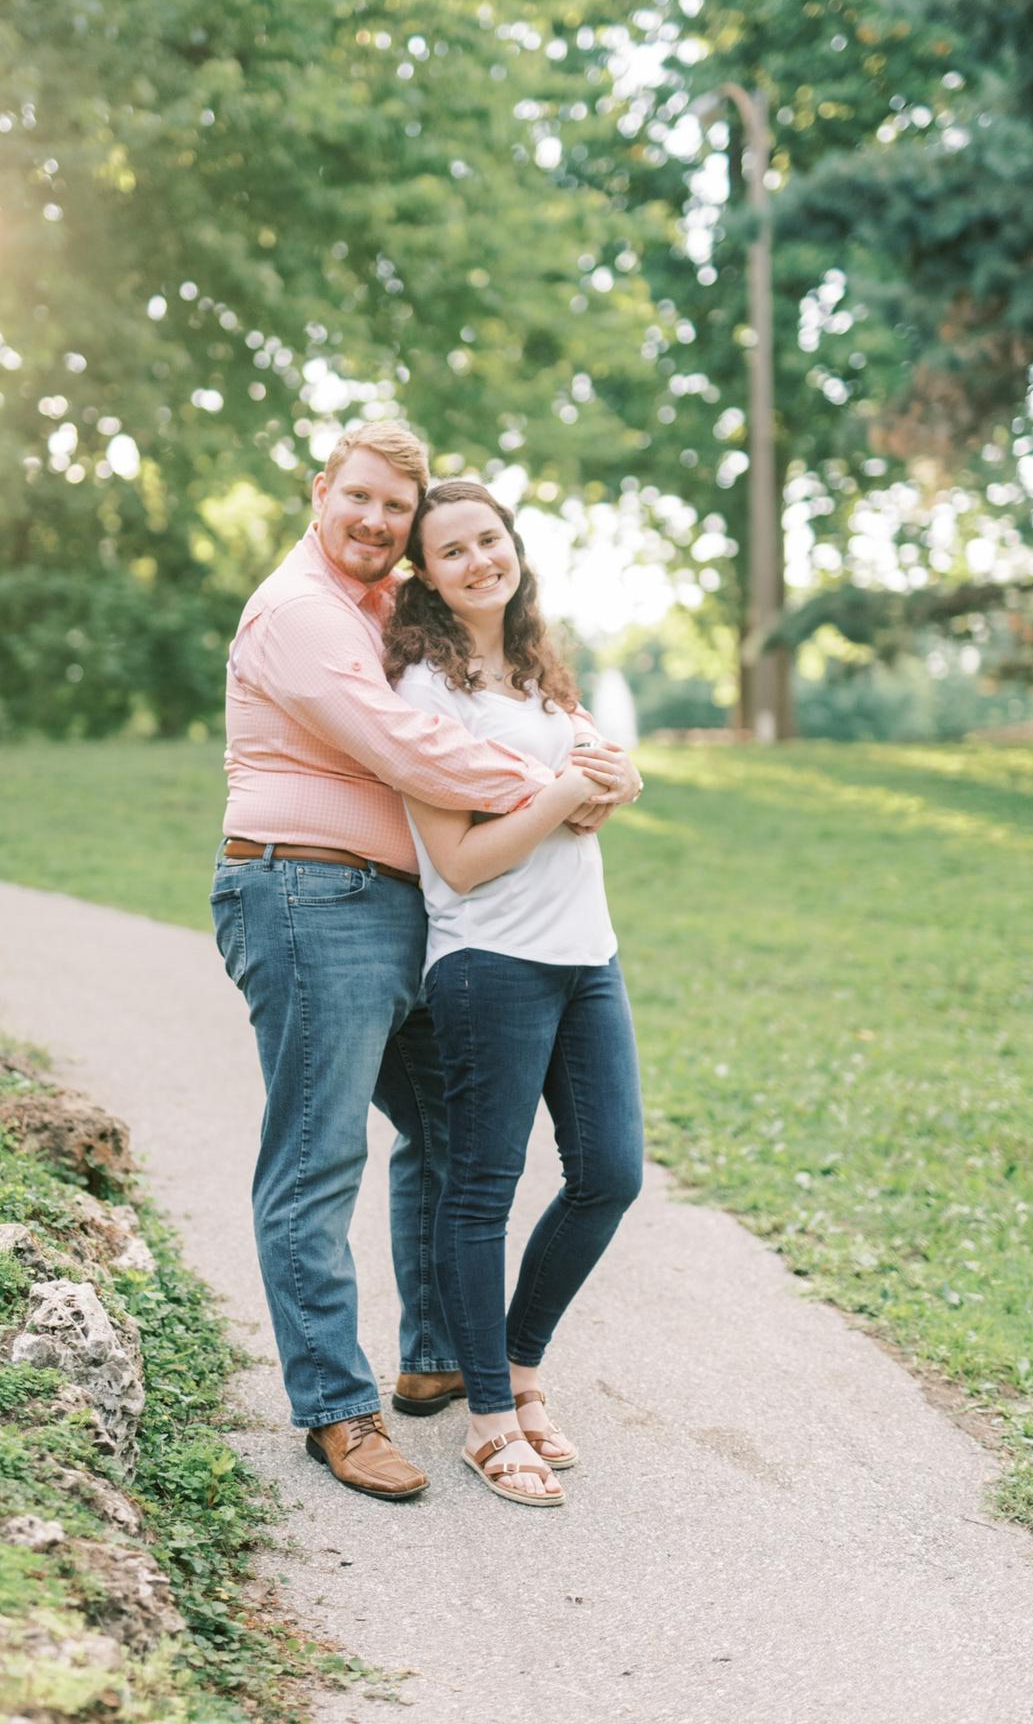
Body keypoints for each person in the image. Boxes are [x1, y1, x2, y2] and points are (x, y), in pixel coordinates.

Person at [210, 423, 640, 1501]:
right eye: (357, 496)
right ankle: (335, 1408)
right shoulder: (302, 612)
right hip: (308, 893)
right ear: (320, 492)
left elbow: (509, 699)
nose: (373, 519)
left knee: (448, 1132)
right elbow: (408, 747)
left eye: (393, 508)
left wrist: (595, 765)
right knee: (316, 1157)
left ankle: (441, 1356)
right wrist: (557, 787)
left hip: (396, 903)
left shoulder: (381, 607)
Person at [384, 479, 645, 1508]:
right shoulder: (422, 691)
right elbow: (457, 863)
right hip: (489, 960)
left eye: (488, 539)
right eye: (451, 550)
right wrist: (566, 792)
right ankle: (490, 1418)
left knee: (609, 1174)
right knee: (480, 1189)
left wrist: (615, 782)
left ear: (514, 546)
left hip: (588, 955)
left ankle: (520, 1364)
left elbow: (594, 776)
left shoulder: (538, 669)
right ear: (425, 574)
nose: (478, 560)